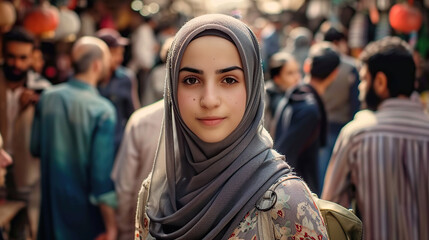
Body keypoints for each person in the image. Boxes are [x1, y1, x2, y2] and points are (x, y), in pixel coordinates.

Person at [135, 14, 328, 240]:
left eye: (229, 80)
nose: (209, 100)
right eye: (191, 80)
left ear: (253, 87)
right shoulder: (156, 194)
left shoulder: (287, 204)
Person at [322, 36, 429, 240]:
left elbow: (330, 214)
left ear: (380, 82)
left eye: (363, 79)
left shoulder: (357, 135)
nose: (361, 89)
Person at [30, 36, 118, 240]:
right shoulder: (102, 110)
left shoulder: (48, 97)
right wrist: (111, 225)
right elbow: (100, 178)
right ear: (97, 65)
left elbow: (35, 147)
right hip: (86, 223)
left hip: (51, 217)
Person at [0, 27, 51, 240]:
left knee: (21, 228)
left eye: (23, 58)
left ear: (32, 58)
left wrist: (40, 105)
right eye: (11, 57)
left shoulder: (43, 89)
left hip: (25, 170)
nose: (17, 64)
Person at [272, 42, 340, 195]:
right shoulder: (309, 110)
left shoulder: (295, 93)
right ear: (334, 74)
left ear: (307, 66)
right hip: (298, 195)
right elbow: (284, 155)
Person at [315, 22, 361, 190]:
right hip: (343, 125)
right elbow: (356, 102)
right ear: (340, 41)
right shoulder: (351, 66)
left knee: (322, 175)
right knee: (341, 176)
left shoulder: (315, 61)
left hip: (320, 126)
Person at [111, 100, 163, 240]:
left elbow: (124, 188)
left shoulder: (142, 120)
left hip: (144, 228)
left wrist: (127, 232)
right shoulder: (218, 122)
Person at [96, 28, 140, 154]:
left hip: (117, 145)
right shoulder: (89, 78)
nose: (119, 58)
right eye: (114, 53)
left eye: (121, 53)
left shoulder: (126, 78)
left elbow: (133, 113)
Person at [264, 51, 301, 132]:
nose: (297, 77)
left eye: (297, 71)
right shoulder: (266, 97)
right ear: (277, 78)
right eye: (290, 73)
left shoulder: (297, 93)